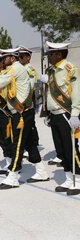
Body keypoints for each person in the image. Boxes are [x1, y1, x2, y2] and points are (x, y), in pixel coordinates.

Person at [0, 48, 49, 190]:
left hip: (21, 114)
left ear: (12, 58)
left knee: (17, 145)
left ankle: (13, 177)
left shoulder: (15, 69)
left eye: (5, 57)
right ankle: (41, 171)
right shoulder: (14, 69)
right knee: (30, 143)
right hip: (22, 112)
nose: (3, 60)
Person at [39, 41, 80, 195]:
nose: (48, 57)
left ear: (59, 54)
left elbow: (76, 93)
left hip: (66, 114)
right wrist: (48, 113)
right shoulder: (52, 71)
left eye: (50, 54)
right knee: (61, 149)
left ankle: (78, 179)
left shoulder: (70, 69)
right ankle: (69, 178)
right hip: (55, 115)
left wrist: (75, 114)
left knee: (71, 148)